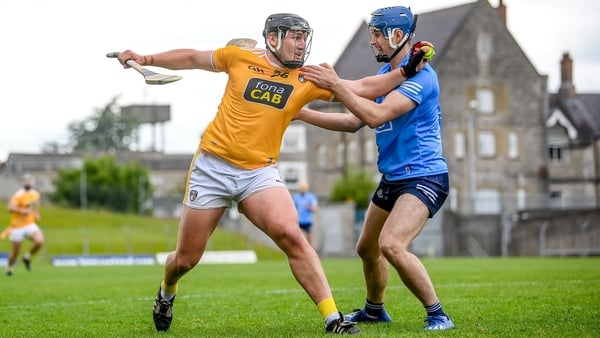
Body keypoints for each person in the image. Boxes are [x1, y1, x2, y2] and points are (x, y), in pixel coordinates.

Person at [114, 12, 425, 334]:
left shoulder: (307, 78)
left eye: (305, 37)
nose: (302, 44)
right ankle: (166, 291)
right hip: (212, 169)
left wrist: (406, 70)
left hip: (259, 172)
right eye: (295, 36)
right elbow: (192, 57)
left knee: (293, 237)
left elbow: (362, 87)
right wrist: (145, 58)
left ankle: (334, 319)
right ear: (273, 38)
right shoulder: (238, 58)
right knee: (186, 260)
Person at [296, 6, 455, 331]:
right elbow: (355, 115)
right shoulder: (388, 77)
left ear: (397, 36)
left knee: (391, 245)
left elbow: (374, 116)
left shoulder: (423, 80)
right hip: (395, 177)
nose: (372, 42)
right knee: (366, 247)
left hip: (424, 176)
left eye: (377, 34)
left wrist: (335, 85)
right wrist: (299, 113)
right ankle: (374, 309)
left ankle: (439, 315)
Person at [2, 174, 44, 276]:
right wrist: (22, 211)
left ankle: (27, 256)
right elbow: (10, 208)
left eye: (29, 181)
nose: (28, 182)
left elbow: (35, 206)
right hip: (17, 226)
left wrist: (36, 213)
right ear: (23, 182)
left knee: (39, 241)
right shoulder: (18, 195)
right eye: (26, 181)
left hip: (29, 224)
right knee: (15, 251)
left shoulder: (36, 194)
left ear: (32, 182)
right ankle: (9, 267)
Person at [292, 181, 319, 246]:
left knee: (309, 240)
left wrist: (307, 206)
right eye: (301, 188)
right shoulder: (296, 197)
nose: (302, 189)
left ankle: (310, 254)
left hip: (308, 221)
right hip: (299, 221)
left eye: (304, 188)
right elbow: (293, 208)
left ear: (307, 188)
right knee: (299, 240)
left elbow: (315, 209)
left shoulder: (311, 197)